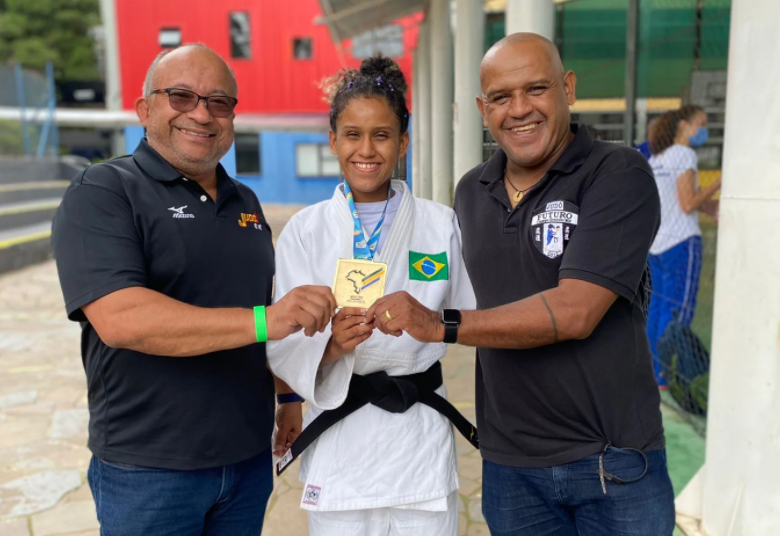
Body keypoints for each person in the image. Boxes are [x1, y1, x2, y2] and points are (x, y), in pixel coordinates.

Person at [366, 33, 675, 535]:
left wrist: (440, 324)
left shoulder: (617, 173)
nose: (519, 109)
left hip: (611, 463)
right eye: (501, 97)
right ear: (482, 109)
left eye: (536, 89)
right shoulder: (472, 190)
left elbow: (575, 311)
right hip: (510, 467)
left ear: (568, 88)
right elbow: (444, 279)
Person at [51, 44, 336, 536]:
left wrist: (287, 396)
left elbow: (262, 304)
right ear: (144, 109)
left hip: (246, 462)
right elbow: (121, 319)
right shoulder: (103, 191)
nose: (202, 114)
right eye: (181, 96)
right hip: (150, 470)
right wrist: (267, 320)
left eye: (219, 102)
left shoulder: (245, 202)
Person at [266, 56, 476, 536]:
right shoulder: (306, 230)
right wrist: (331, 347)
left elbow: (472, 317)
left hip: (417, 435)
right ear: (333, 141)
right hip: (341, 439)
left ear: (403, 143)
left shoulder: (440, 223)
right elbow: (283, 341)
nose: (366, 149)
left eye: (381, 135)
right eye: (352, 135)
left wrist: (430, 323)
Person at [645, 105, 721, 387]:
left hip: (656, 245)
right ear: (683, 126)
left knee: (657, 310)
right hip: (681, 243)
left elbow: (680, 200)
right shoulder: (685, 155)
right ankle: (679, 372)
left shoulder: (658, 158)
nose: (703, 130)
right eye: (700, 123)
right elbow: (688, 203)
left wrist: (711, 206)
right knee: (679, 312)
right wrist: (720, 182)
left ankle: (656, 372)